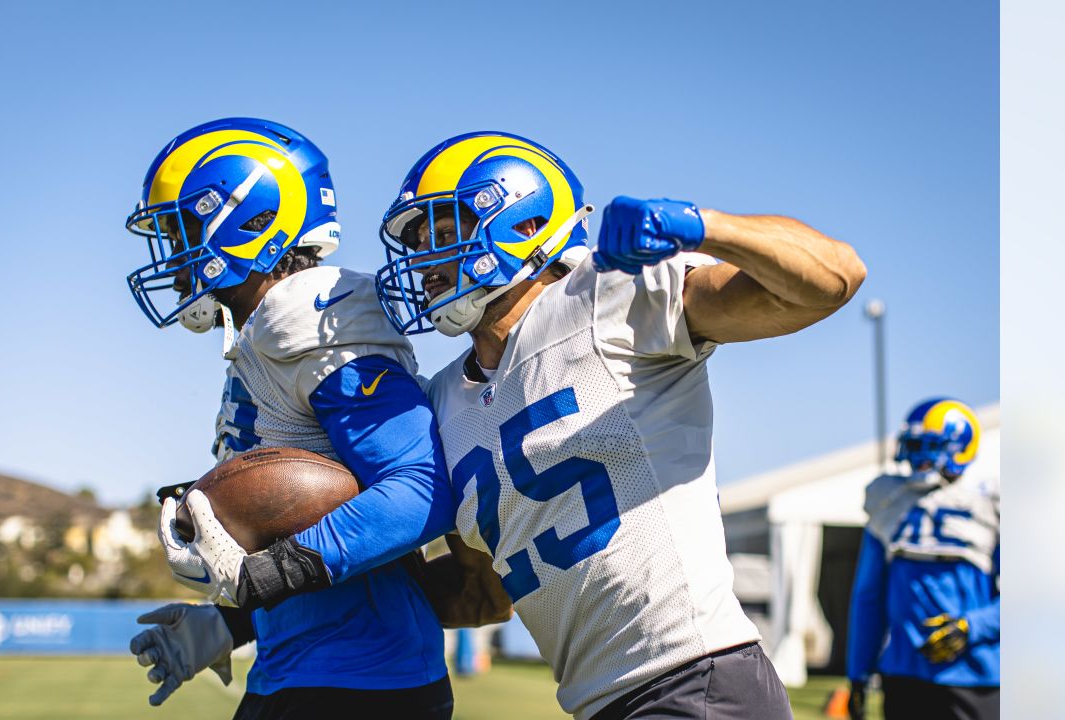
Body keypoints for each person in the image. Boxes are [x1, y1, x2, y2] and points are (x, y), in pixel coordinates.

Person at [374, 131, 867, 720]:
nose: (424, 260)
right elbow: (482, 595)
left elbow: (835, 279)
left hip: (695, 676)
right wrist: (301, 585)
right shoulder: (442, 403)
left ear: (524, 223)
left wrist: (704, 226)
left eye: (444, 233)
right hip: (601, 703)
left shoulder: (608, 293)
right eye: (418, 241)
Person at [121, 117, 465, 719]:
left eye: (182, 231)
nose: (173, 258)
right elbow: (305, 514)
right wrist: (229, 625)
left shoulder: (309, 317)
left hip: (364, 682)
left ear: (246, 219)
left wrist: (267, 575)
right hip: (300, 673)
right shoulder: (262, 339)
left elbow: (422, 488)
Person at [847, 398, 1000, 720]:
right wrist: (859, 670)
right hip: (904, 673)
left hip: (975, 676)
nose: (918, 457)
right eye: (913, 445)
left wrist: (972, 627)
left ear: (960, 447)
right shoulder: (890, 502)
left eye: (928, 446)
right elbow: (869, 596)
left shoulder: (991, 505)